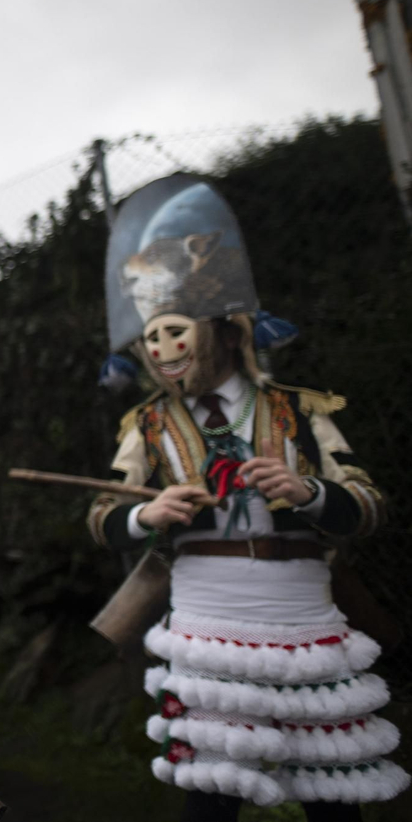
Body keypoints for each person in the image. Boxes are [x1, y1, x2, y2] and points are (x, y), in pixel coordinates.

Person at [86, 175, 407, 819]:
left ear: (229, 330)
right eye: (151, 336)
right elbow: (101, 519)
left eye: (174, 330)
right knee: (207, 799)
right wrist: (146, 513)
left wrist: (310, 492)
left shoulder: (300, 411)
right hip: (206, 627)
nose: (160, 349)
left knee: (333, 796)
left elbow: (370, 504)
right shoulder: (145, 427)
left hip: (305, 622)